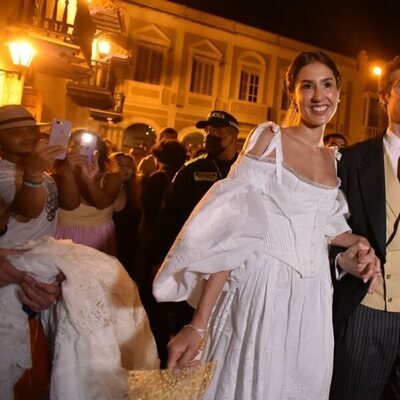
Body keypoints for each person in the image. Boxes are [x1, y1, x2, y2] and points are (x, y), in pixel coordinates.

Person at [153, 51, 381, 400]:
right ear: (293, 93)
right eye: (308, 86)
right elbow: (232, 231)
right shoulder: (268, 141)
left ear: (338, 92)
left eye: (327, 85)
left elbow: (324, 226)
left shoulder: (332, 160)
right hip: (261, 290)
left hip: (312, 301)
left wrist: (360, 244)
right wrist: (198, 323)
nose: (318, 96)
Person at [331, 55, 400, 399]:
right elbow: (324, 231)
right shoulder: (351, 161)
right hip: (367, 310)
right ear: (384, 96)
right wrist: (344, 260)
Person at [54, 129, 122, 256]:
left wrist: (89, 180)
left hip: (98, 241)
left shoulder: (112, 178)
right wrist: (68, 171)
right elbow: (70, 205)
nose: (82, 151)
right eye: (76, 146)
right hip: (64, 239)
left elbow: (102, 204)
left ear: (99, 152)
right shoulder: (57, 177)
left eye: (88, 146)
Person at [111, 151, 141, 276]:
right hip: (105, 243)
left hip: (126, 246)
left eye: (128, 166)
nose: (123, 169)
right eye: (119, 164)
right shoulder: (102, 186)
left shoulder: (135, 189)